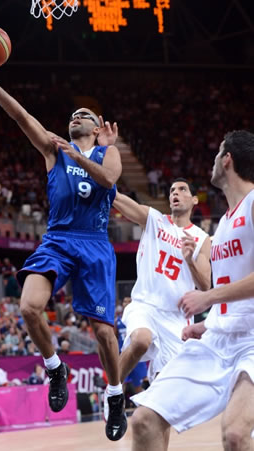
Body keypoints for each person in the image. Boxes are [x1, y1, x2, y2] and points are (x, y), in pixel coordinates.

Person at [0, 50, 126, 441]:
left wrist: (81, 155)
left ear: (97, 127)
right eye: (74, 114)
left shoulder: (109, 153)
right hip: (58, 239)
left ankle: (116, 394)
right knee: (28, 307)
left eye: (84, 115)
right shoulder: (54, 149)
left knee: (105, 334)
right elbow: (20, 115)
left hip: (94, 244)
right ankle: (55, 367)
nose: (75, 117)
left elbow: (107, 180)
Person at [130, 130, 254, 451]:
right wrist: (207, 322)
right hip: (218, 339)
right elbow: (231, 294)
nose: (212, 162)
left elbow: (215, 292)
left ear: (227, 160)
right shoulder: (223, 225)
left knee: (236, 434)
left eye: (217, 155)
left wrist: (208, 297)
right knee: (144, 419)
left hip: (252, 343)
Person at [113, 178, 211, 389]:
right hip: (144, 305)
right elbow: (117, 198)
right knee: (141, 340)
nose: (175, 193)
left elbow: (205, 286)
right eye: (172, 190)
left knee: (164, 394)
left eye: (182, 189)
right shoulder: (154, 219)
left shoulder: (201, 239)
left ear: (194, 199)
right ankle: (112, 391)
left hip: (176, 319)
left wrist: (189, 260)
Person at [115, 297, 148, 402]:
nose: (127, 303)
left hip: (136, 355)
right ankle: (118, 406)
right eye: (125, 301)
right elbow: (114, 338)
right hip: (124, 354)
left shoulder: (138, 319)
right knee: (120, 382)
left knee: (139, 383)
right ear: (122, 304)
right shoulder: (118, 321)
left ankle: (145, 405)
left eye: (129, 301)